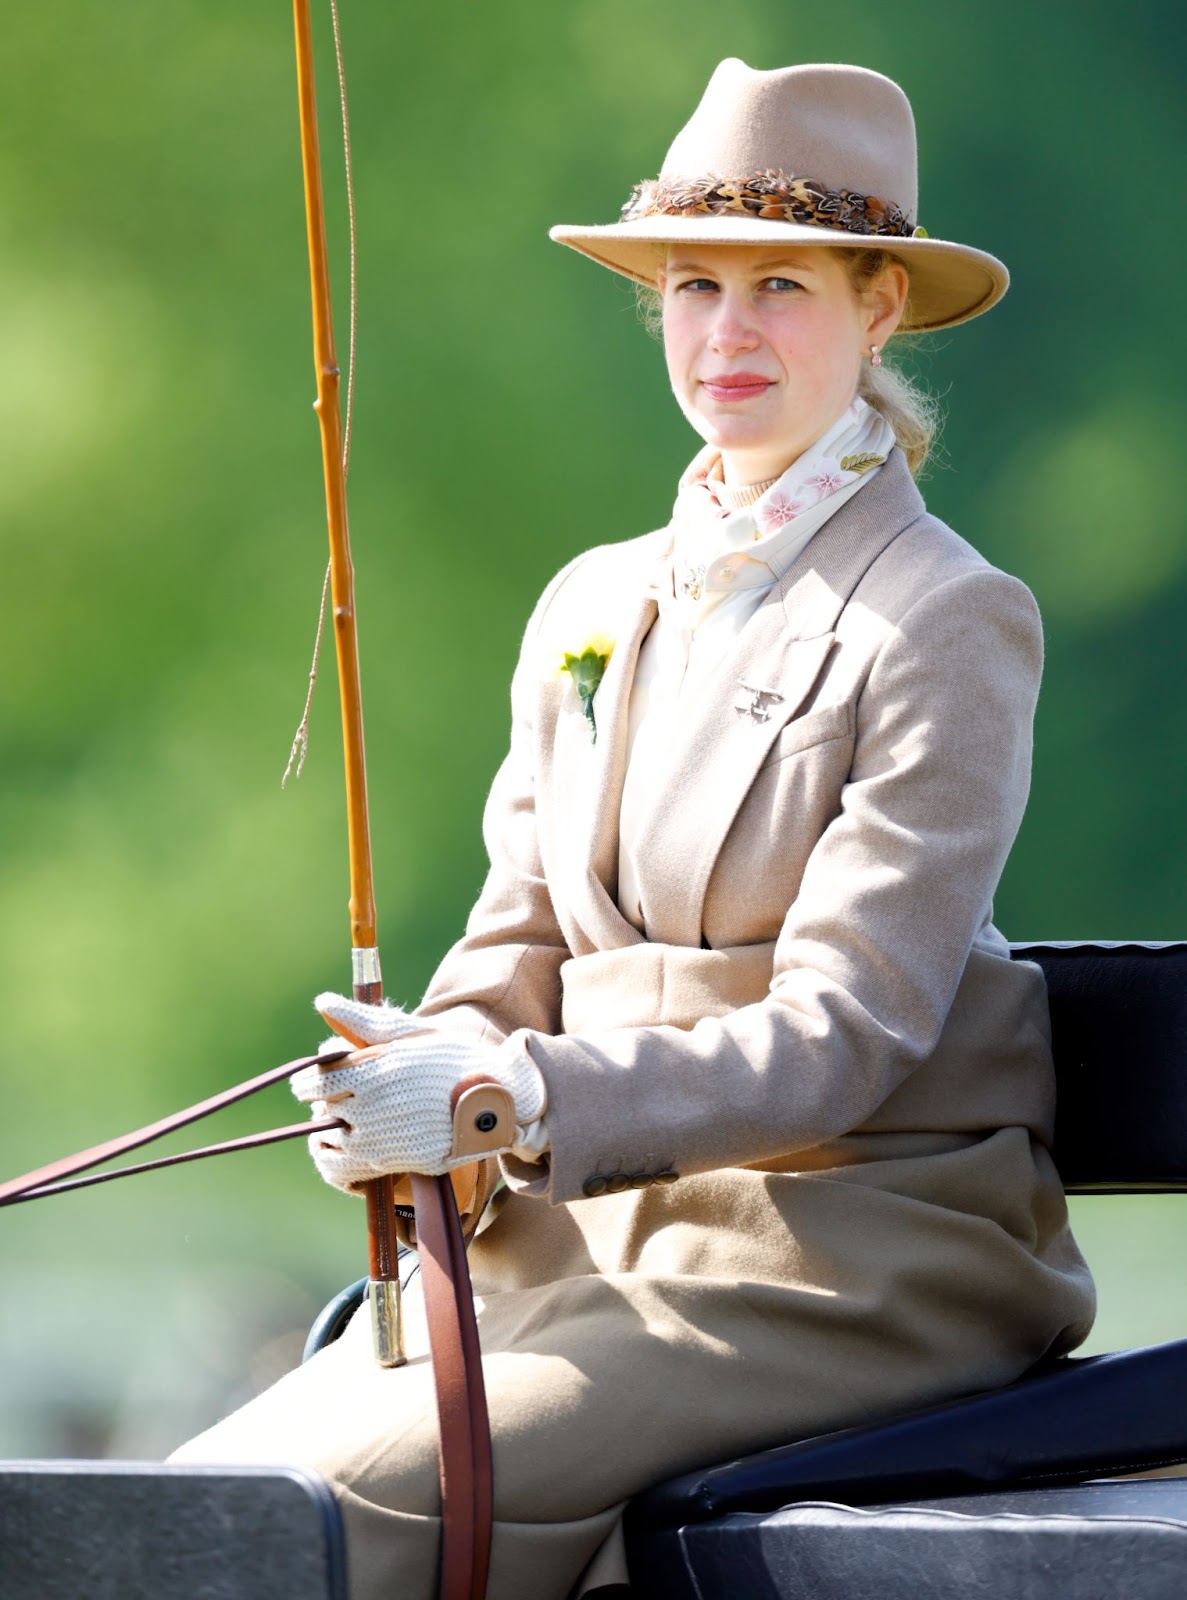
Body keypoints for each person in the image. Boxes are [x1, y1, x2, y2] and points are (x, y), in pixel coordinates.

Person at [171, 58, 1096, 1600]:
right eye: (693, 288)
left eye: (781, 285)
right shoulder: (593, 602)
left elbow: (849, 1029)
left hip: (854, 1253)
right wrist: (415, 1087)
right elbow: (515, 938)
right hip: (580, 1247)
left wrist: (516, 1091)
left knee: (346, 1506)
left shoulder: (948, 618)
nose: (726, 333)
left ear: (878, 312)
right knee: (204, 1494)